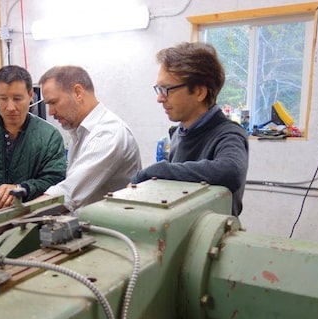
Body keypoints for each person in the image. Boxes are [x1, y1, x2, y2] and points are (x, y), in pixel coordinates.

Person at [130, 42, 249, 216]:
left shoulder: (228, 134)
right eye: (159, 89)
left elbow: (231, 171)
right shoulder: (179, 133)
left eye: (167, 89)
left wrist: (156, 171)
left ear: (199, 92)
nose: (160, 98)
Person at [0, 65, 66, 209]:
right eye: (3, 99)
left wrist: (21, 189)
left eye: (17, 98)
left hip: (27, 216)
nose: (10, 107)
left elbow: (55, 180)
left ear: (30, 95)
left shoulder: (49, 136)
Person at [39, 65, 142, 212]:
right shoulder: (79, 133)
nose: (51, 112)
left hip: (109, 225)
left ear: (78, 92)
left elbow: (66, 195)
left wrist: (14, 216)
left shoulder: (108, 134)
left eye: (54, 102)